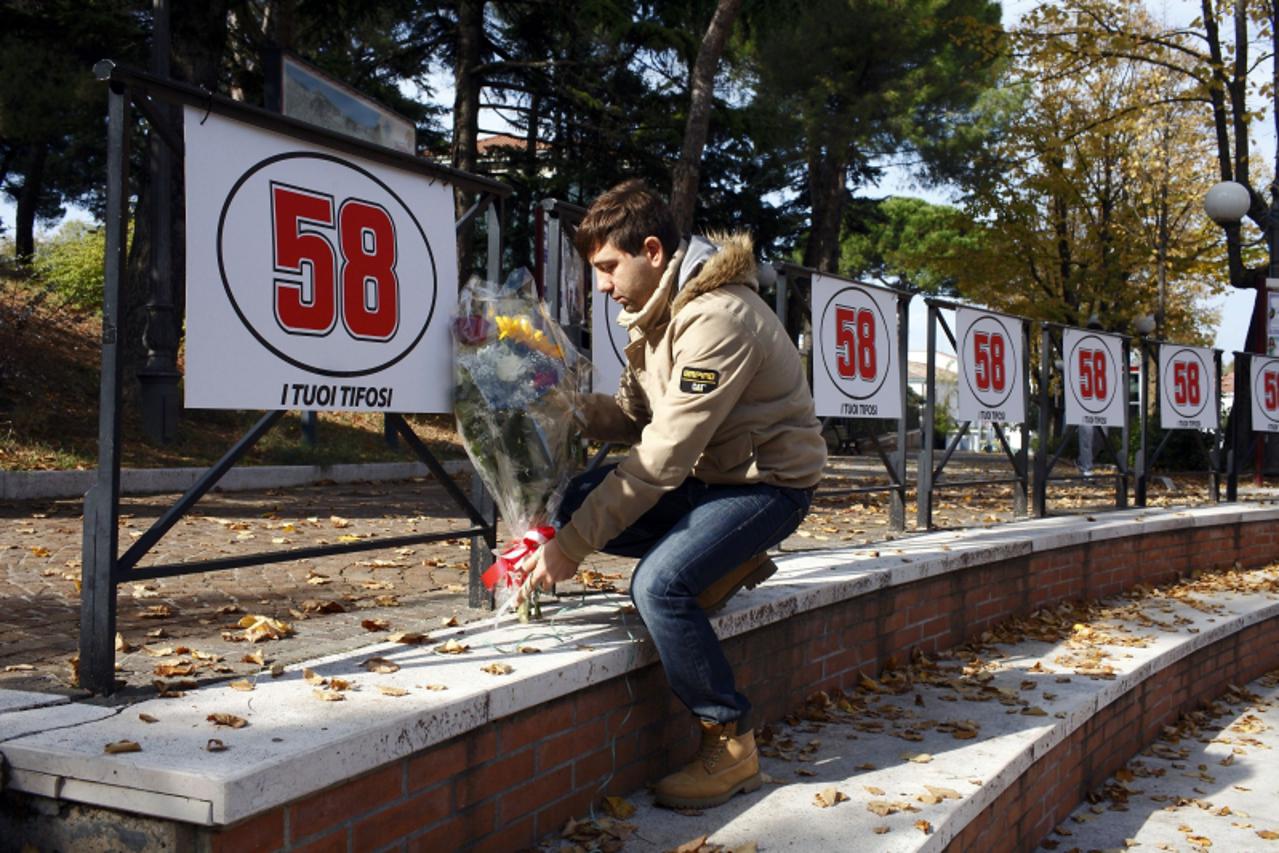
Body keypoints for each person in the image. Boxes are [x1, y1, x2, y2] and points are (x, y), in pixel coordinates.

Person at [524, 180, 827, 809]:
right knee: (575, 498)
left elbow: (662, 455)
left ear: (653, 252)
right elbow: (637, 414)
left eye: (608, 267)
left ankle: (732, 741)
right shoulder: (658, 314)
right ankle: (719, 559)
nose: (602, 284)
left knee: (659, 587)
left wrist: (572, 548)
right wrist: (565, 406)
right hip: (711, 480)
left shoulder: (718, 319)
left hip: (767, 488)